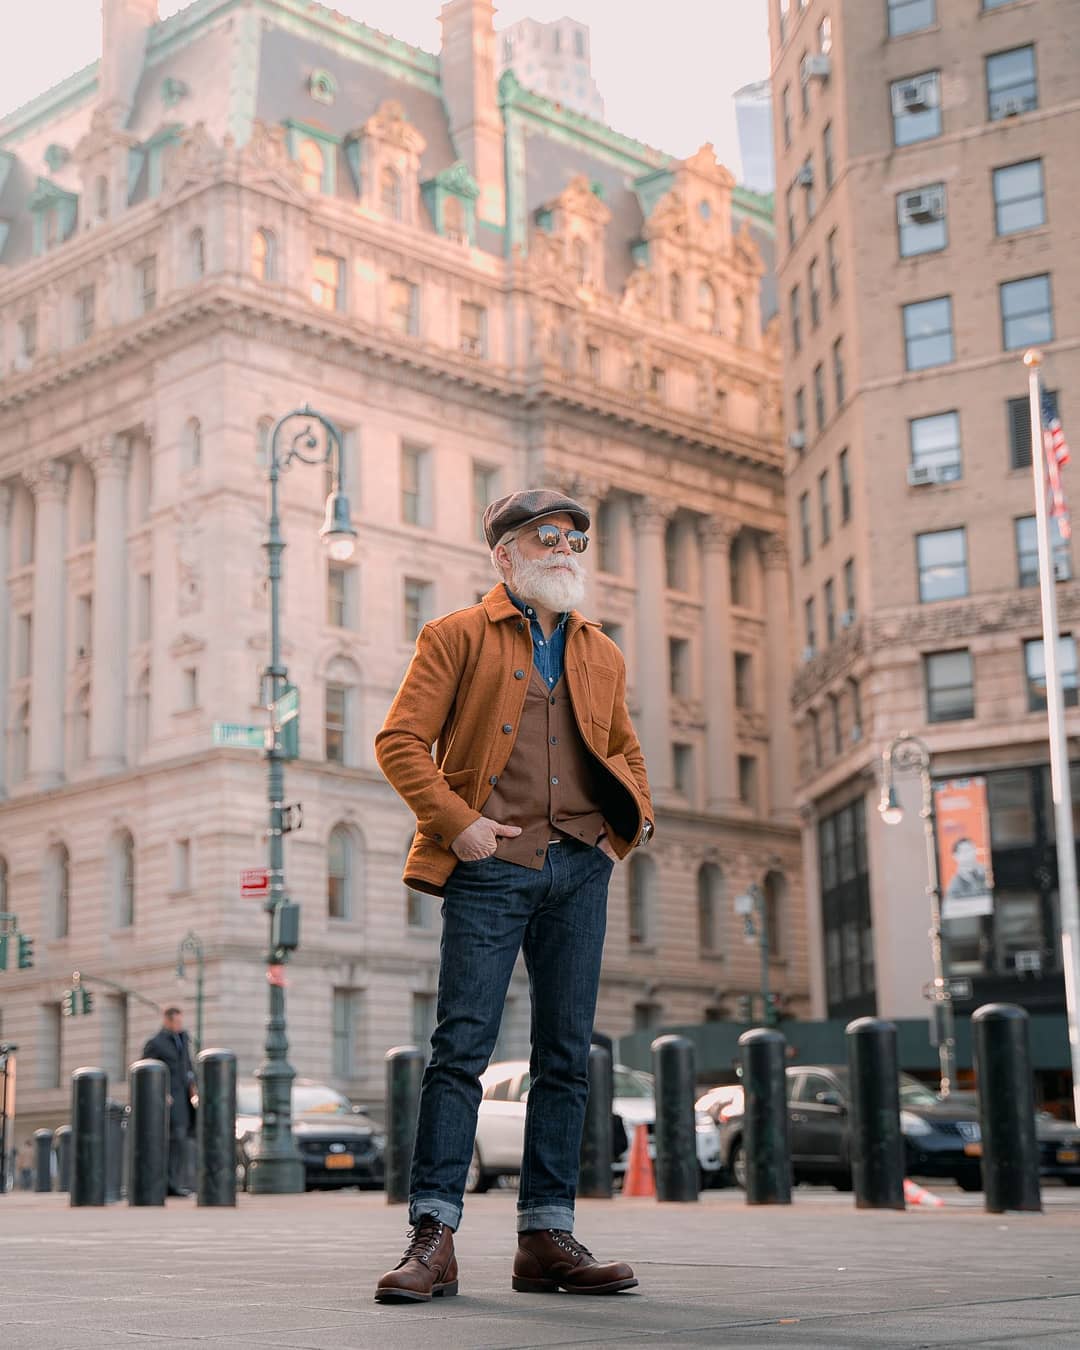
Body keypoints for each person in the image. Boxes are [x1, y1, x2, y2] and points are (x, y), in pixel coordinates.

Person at [374, 488, 654, 1303]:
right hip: (490, 867)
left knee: (566, 1059)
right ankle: (434, 1237)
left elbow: (626, 754)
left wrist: (618, 835)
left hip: (580, 867)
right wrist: (457, 824)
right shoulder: (455, 635)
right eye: (546, 538)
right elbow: (398, 741)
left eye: (573, 538)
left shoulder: (601, 652)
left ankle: (545, 1237)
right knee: (461, 1050)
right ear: (505, 557)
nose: (565, 549)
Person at [142, 1006, 197, 1196]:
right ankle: (166, 1183)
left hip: (184, 1100)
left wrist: (193, 1089)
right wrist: (160, 1093)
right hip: (167, 1100)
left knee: (180, 1141)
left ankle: (175, 1181)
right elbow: (146, 1070)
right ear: (167, 1021)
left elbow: (187, 1067)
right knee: (172, 1139)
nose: (180, 1026)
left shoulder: (183, 1040)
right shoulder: (156, 1044)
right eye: (177, 1022)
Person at [944, 837, 991, 904]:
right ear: (955, 856)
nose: (970, 854)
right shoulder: (954, 885)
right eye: (965, 851)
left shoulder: (988, 871)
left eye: (971, 849)